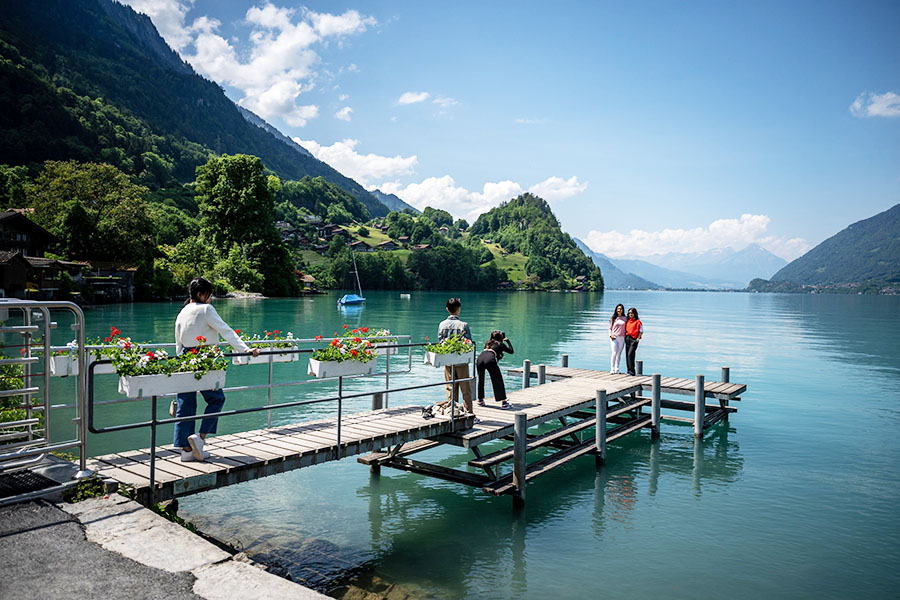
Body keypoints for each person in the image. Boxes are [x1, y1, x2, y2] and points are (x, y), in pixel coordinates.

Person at [174, 277, 259, 462]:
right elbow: (226, 330)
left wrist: (181, 364)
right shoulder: (206, 309)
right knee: (216, 398)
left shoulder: (182, 312)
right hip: (205, 357)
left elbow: (178, 343)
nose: (210, 298)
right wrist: (245, 349)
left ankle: (186, 450)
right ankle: (200, 438)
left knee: (185, 404)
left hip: (184, 358)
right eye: (208, 294)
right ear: (200, 294)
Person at [437, 297, 474, 415]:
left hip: (447, 360)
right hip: (461, 360)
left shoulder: (442, 324)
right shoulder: (463, 325)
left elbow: (440, 341)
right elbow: (468, 342)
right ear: (459, 309)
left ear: (447, 309)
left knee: (450, 387)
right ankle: (468, 412)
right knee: (465, 388)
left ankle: (452, 411)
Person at [477, 330, 514, 409]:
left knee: (481, 379)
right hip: (489, 359)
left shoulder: (488, 343)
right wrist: (508, 341)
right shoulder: (500, 344)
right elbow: (511, 351)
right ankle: (504, 403)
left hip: (480, 358)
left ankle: (480, 400)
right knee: (497, 380)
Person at [608, 303, 627, 373]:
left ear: (623, 310)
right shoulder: (613, 318)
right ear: (616, 310)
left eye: (621, 309)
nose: (619, 310)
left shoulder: (625, 318)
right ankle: (612, 368)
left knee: (619, 353)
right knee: (614, 353)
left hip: (622, 337)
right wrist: (610, 335)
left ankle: (617, 368)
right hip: (614, 337)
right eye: (618, 309)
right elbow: (610, 328)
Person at [624, 307, 643, 376]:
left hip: (634, 339)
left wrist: (638, 339)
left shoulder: (638, 322)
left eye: (631, 313)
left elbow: (641, 331)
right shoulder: (628, 321)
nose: (630, 314)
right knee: (627, 355)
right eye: (629, 313)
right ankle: (629, 371)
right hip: (627, 338)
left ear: (634, 313)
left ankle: (632, 371)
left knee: (630, 355)